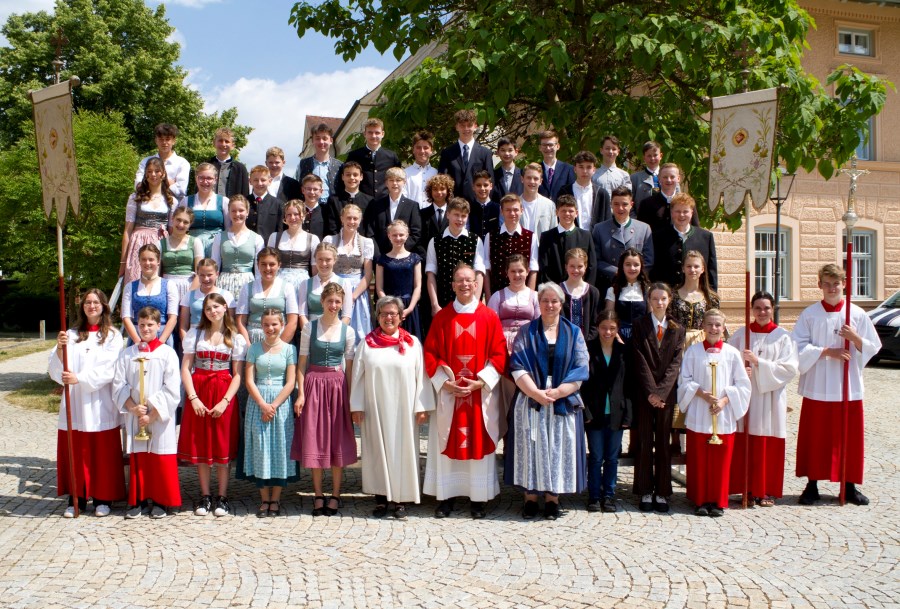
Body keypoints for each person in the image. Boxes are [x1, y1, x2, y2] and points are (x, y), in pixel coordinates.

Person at [792, 264, 881, 506]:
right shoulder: (809, 314)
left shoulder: (858, 314)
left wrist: (856, 338)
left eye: (836, 283)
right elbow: (796, 347)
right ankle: (812, 484)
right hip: (818, 385)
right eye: (827, 283)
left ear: (844, 285)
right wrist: (827, 351)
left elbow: (874, 347)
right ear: (819, 284)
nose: (832, 288)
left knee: (848, 438)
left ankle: (849, 485)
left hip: (847, 386)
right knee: (815, 437)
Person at [423, 264, 507, 519]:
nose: (465, 285)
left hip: (478, 394)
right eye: (459, 281)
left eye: (469, 281)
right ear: (452, 285)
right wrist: (444, 383)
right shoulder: (442, 317)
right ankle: (446, 496)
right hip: (450, 394)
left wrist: (481, 382)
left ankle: (478, 498)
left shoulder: (489, 316)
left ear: (476, 284)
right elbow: (430, 353)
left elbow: (500, 353)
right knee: (447, 439)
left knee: (478, 440)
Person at [505, 281, 590, 520]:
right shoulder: (526, 331)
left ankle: (553, 498)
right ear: (538, 303)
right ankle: (530, 498)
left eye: (554, 301)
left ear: (561, 305)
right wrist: (535, 393)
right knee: (532, 448)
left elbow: (581, 367)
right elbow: (517, 365)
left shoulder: (573, 333)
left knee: (556, 448)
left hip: (562, 399)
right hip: (532, 398)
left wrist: (561, 391)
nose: (550, 305)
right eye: (545, 300)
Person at [49, 289, 125, 518]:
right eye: (87, 303)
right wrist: (61, 349)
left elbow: (110, 369)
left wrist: (79, 378)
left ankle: (103, 497)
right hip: (75, 401)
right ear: (82, 307)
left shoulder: (113, 336)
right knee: (77, 450)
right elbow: (56, 367)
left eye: (95, 302)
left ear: (104, 306)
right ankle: (77, 499)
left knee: (101, 451)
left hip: (100, 401)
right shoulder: (71, 335)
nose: (91, 306)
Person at [178, 293, 246, 517]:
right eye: (208, 308)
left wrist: (226, 401)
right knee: (202, 444)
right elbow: (186, 369)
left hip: (222, 391)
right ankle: (205, 495)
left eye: (216, 307)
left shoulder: (235, 337)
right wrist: (193, 397)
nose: (212, 311)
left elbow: (237, 375)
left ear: (225, 307)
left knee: (221, 445)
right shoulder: (194, 334)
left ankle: (223, 497)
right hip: (199, 391)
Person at [677, 309, 751, 517]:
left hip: (723, 414)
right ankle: (700, 499)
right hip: (700, 412)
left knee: (721, 461)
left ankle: (718, 500)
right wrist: (701, 394)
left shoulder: (732, 353)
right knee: (700, 460)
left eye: (718, 325)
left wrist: (725, 400)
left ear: (724, 327)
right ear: (703, 326)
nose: (713, 328)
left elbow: (742, 384)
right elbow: (684, 381)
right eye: (709, 324)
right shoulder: (693, 352)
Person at [292, 283, 358, 516]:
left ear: (342, 304)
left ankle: (336, 494)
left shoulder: (348, 331)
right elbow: (301, 363)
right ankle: (318, 493)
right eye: (330, 301)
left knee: (336, 440)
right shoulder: (310, 328)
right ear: (322, 302)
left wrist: (351, 400)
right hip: (313, 385)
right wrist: (301, 393)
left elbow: (349, 368)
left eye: (338, 302)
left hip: (337, 386)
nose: (333, 306)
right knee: (315, 439)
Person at [727, 292, 798, 506]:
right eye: (757, 308)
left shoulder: (783, 337)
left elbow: (789, 369)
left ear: (773, 308)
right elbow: (727, 363)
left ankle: (765, 490)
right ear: (751, 309)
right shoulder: (740, 335)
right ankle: (746, 487)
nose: (762, 312)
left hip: (770, 397)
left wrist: (759, 363)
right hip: (747, 397)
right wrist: (741, 371)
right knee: (745, 440)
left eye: (766, 308)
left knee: (767, 441)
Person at [113, 306, 182, 518]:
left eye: (150, 325)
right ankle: (139, 500)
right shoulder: (127, 355)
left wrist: (151, 414)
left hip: (159, 417)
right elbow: (118, 384)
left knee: (160, 457)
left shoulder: (167, 354)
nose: (145, 329)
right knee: (140, 458)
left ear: (159, 326)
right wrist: (133, 408)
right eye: (141, 325)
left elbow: (172, 388)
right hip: (136, 414)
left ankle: (161, 501)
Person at [631, 282, 685, 513]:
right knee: (644, 441)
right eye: (655, 299)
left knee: (663, 442)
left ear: (669, 300)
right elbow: (639, 359)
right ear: (649, 301)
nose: (659, 303)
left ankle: (662, 491)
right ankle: (644, 489)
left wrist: (661, 392)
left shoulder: (677, 328)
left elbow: (676, 363)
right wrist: (651, 392)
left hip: (666, 395)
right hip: (645, 394)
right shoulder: (640, 325)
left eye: (663, 299)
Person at [242, 308, 299, 517]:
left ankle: (276, 498)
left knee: (279, 447)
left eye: (274, 324)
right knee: (260, 446)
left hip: (280, 403)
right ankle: (264, 498)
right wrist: (262, 404)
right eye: (266, 324)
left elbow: (291, 381)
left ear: (282, 324)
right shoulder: (254, 348)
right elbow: (249, 380)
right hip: (257, 402)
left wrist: (273, 405)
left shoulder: (289, 349)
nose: (270, 328)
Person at [583, 310, 632, 512]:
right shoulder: (588, 349)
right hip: (594, 412)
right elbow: (582, 385)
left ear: (617, 329)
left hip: (616, 413)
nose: (607, 332)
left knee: (612, 457)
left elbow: (629, 386)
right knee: (595, 456)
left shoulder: (623, 352)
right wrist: (585, 411)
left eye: (612, 328)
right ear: (597, 328)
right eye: (604, 327)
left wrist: (628, 414)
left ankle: (609, 495)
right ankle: (594, 495)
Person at [487, 254, 540, 423]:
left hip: (527, 349)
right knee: (505, 396)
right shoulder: (498, 296)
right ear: (507, 273)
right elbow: (491, 326)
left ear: (528, 272)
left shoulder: (535, 297)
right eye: (513, 271)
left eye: (521, 271)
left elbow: (540, 326)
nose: (517, 275)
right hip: (503, 349)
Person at [120, 157, 177, 284]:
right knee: (135, 282)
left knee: (157, 284)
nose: (153, 174)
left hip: (160, 243)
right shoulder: (135, 198)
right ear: (145, 174)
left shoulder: (171, 201)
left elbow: (172, 232)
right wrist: (123, 261)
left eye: (157, 171)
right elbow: (127, 231)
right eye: (150, 171)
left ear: (163, 174)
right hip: (138, 243)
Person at [425, 197, 486, 313]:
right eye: (456, 215)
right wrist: (435, 305)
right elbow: (431, 274)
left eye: (463, 216)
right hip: (443, 302)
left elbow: (479, 272)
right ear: (448, 214)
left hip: (469, 302)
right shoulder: (435, 241)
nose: (460, 219)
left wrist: (476, 303)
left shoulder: (475, 240)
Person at [324, 204, 374, 345]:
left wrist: (352, 297)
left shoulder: (366, 243)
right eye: (348, 218)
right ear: (342, 219)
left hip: (357, 293)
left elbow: (368, 275)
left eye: (355, 218)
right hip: (335, 290)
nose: (352, 221)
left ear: (360, 220)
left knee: (358, 334)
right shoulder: (330, 240)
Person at [592, 186, 654, 297]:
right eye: (616, 204)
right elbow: (596, 260)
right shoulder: (599, 229)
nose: (620, 208)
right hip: (609, 285)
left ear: (631, 205)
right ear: (611, 205)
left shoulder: (644, 229)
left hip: (637, 287)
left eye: (625, 204)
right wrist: (618, 272)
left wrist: (633, 274)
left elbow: (648, 260)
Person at [650, 192, 715, 290]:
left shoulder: (706, 237)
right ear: (671, 212)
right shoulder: (658, 237)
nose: (681, 215)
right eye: (678, 211)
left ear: (692, 213)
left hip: (697, 295)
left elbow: (711, 270)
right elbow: (654, 270)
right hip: (666, 297)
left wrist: (712, 296)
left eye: (685, 211)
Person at [236, 248, 299, 344]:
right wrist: (249, 347)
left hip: (280, 340)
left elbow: (292, 322)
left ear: (279, 265)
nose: (268, 268)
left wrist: (279, 346)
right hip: (252, 340)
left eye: (272, 264)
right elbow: (241, 321)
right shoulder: (247, 287)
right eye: (263, 264)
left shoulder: (287, 287)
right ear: (257, 265)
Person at [121, 244, 179, 347]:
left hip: (162, 336)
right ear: (139, 261)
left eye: (151, 259)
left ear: (158, 261)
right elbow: (126, 317)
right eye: (143, 259)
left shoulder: (169, 285)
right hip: (137, 336)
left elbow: (173, 317)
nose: (147, 263)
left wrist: (159, 342)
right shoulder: (130, 287)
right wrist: (138, 342)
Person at [483, 194, 539, 298]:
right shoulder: (490, 236)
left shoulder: (531, 236)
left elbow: (533, 268)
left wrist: (530, 298)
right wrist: (488, 297)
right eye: (508, 210)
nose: (512, 213)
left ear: (521, 210)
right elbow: (486, 269)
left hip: (523, 296)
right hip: (497, 296)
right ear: (501, 211)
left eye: (515, 210)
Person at [211, 195, 264, 301]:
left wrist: (259, 289)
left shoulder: (257, 238)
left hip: (247, 282)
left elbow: (259, 268)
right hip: (224, 283)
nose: (237, 214)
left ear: (247, 212)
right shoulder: (219, 237)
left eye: (241, 210)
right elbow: (214, 264)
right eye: (233, 211)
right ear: (229, 213)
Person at [375, 220, 422, 340]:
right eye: (394, 235)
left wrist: (410, 308)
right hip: (389, 308)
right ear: (389, 236)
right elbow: (379, 287)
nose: (398, 238)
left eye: (401, 235)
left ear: (407, 236)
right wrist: (388, 307)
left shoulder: (414, 258)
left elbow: (418, 286)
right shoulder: (382, 260)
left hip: (408, 307)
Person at [362, 167, 422, 258]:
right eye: (391, 180)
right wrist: (378, 254)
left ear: (404, 182)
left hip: (404, 256)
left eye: (398, 180)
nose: (395, 183)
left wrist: (400, 251)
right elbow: (371, 232)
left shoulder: (412, 206)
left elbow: (416, 232)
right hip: (381, 255)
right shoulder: (376, 205)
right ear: (386, 183)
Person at [537, 194, 597, 286]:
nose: (567, 214)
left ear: (576, 213)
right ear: (557, 212)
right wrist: (553, 289)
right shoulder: (547, 237)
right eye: (563, 211)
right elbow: (543, 266)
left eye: (571, 211)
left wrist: (585, 288)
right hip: (554, 291)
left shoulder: (586, 236)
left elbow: (592, 266)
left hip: (579, 289)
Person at [438, 109, 494, 202]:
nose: (466, 129)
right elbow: (442, 180)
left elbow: (490, 181)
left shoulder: (485, 153)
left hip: (478, 205)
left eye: (469, 125)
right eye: (462, 126)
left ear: (475, 126)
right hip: (454, 205)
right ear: (457, 127)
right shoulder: (447, 153)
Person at [669, 250, 719, 348]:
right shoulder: (673, 296)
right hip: (677, 343)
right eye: (689, 266)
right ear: (683, 269)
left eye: (696, 266)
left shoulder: (711, 298)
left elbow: (716, 324)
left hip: (703, 342)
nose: (692, 270)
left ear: (702, 269)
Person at [341, 118, 401, 199]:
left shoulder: (391, 157)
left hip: (385, 202)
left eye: (377, 133)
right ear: (364, 134)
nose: (373, 136)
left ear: (382, 134)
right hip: (361, 202)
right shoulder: (354, 156)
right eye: (370, 132)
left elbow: (398, 179)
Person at [157, 206, 204, 310]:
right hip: (166, 286)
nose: (181, 224)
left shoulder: (195, 242)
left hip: (189, 286)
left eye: (185, 222)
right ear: (172, 219)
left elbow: (200, 273)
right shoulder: (160, 243)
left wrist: (189, 295)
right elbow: (156, 273)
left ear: (190, 225)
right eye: (178, 220)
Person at [298, 243, 353, 329]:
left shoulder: (345, 283)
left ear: (334, 260)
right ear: (315, 260)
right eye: (320, 259)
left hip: (336, 332)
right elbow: (302, 314)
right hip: (311, 331)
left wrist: (336, 334)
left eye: (328, 260)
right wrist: (309, 333)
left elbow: (346, 315)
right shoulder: (305, 284)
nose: (324, 264)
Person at [268, 199, 320, 290]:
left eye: (296, 214)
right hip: (279, 284)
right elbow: (269, 263)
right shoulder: (274, 237)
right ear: (285, 217)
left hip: (303, 285)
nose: (292, 218)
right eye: (289, 214)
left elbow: (315, 269)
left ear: (303, 215)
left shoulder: (313, 239)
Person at [181, 162, 229, 258]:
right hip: (192, 246)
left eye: (209, 178)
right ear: (196, 178)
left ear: (215, 180)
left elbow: (228, 229)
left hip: (216, 246)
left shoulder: (224, 201)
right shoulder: (186, 201)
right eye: (201, 178)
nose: (205, 182)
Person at [179, 259, 235, 338]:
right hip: (194, 338)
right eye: (202, 275)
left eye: (209, 275)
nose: (206, 279)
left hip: (219, 337)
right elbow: (183, 326)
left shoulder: (226, 295)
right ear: (197, 275)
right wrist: (187, 344)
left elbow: (230, 324)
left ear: (217, 274)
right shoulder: (189, 295)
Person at [134, 123, 190, 201]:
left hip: (174, 208)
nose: (164, 142)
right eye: (161, 139)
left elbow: (180, 190)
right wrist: (170, 182)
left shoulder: (182, 163)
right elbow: (138, 186)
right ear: (156, 141)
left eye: (167, 139)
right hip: (148, 205)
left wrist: (151, 181)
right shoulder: (145, 161)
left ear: (174, 141)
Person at [638, 163, 699, 235]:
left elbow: (696, 230)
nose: (669, 180)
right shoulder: (647, 204)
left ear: (678, 178)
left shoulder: (687, 203)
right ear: (659, 179)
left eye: (672, 177)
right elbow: (641, 232)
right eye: (665, 177)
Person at [604, 248, 651, 341]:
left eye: (636, 265)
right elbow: (609, 318)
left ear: (641, 267)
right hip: (619, 338)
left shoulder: (648, 290)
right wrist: (617, 338)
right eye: (628, 264)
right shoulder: (613, 290)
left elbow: (651, 318)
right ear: (622, 266)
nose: (632, 268)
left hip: (642, 339)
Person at [557, 150, 610, 232]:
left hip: (596, 241)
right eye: (581, 167)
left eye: (589, 167)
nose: (585, 171)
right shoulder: (564, 192)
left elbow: (607, 221)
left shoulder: (602, 194)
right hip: (571, 239)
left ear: (594, 170)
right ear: (575, 169)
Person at [561, 248, 602, 345]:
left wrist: (586, 342)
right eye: (572, 266)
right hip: (562, 344)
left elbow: (596, 322)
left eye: (580, 266)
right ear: (566, 267)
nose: (576, 270)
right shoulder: (558, 290)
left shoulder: (593, 292)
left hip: (587, 346)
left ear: (586, 266)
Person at [297, 122, 345, 204]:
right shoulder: (303, 164)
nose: (321, 142)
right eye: (317, 138)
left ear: (331, 141)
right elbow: (298, 187)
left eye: (325, 138)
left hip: (333, 209)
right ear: (313, 141)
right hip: (310, 209)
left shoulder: (339, 165)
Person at [326, 161, 372, 236]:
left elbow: (370, 228)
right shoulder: (334, 200)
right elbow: (332, 226)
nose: (352, 178)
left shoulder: (369, 201)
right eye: (348, 175)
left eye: (355, 175)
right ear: (342, 177)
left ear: (361, 177)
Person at [246, 165, 282, 245]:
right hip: (247, 246)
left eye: (263, 180)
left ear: (270, 181)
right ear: (250, 181)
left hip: (268, 247)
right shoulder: (244, 202)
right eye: (255, 180)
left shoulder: (277, 204)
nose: (259, 183)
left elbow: (280, 230)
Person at [519, 163, 557, 235]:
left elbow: (553, 234)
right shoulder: (514, 204)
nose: (532, 181)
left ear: (540, 181)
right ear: (522, 179)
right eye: (528, 178)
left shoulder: (549, 205)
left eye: (536, 178)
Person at [536, 130, 575, 202]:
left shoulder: (568, 169)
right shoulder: (535, 170)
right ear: (540, 147)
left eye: (550, 145)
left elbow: (572, 196)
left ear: (558, 146)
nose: (547, 148)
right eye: (544, 145)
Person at [403, 130, 438, 208]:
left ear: (431, 150)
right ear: (413, 150)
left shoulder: (436, 174)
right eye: (418, 148)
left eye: (426, 148)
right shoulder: (405, 174)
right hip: (411, 216)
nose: (422, 151)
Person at [591, 135, 631, 200]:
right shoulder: (593, 174)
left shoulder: (624, 175)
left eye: (614, 149)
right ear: (601, 150)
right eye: (607, 148)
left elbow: (627, 198)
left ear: (618, 152)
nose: (610, 152)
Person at [629, 141, 663, 212]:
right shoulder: (635, 178)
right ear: (644, 158)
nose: (652, 158)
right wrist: (636, 221)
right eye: (649, 156)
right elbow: (629, 203)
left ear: (661, 156)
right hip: (641, 220)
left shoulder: (669, 177)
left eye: (655, 155)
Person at [468, 170, 501, 240]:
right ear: (473, 187)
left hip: (493, 247)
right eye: (478, 185)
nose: (482, 188)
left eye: (486, 185)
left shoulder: (498, 208)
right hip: (474, 247)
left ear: (491, 186)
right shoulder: (468, 208)